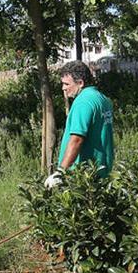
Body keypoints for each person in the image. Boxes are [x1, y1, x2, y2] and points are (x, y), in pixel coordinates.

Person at [45, 60, 115, 188]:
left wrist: (60, 172)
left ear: (80, 83)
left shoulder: (83, 102)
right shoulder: (103, 99)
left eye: (66, 84)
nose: (63, 88)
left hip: (83, 177)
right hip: (102, 171)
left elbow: (76, 139)